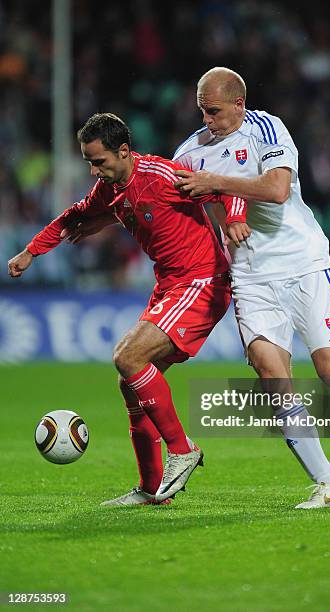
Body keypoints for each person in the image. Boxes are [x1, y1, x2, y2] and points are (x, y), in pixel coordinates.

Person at [173, 67, 330, 507]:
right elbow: (168, 198)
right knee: (273, 378)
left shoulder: (267, 128)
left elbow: (275, 189)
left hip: (304, 264)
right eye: (202, 111)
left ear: (238, 104)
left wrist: (215, 184)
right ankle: (329, 486)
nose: (208, 120)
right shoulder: (190, 152)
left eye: (214, 111)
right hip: (251, 277)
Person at [8, 112, 249, 506]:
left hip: (202, 281)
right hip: (170, 286)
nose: (93, 170)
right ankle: (153, 490)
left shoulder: (161, 175)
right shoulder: (110, 188)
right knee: (130, 383)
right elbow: (74, 215)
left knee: (128, 356)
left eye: (99, 161)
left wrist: (236, 218)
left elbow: (223, 188)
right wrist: (31, 251)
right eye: (88, 161)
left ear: (124, 151)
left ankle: (182, 449)